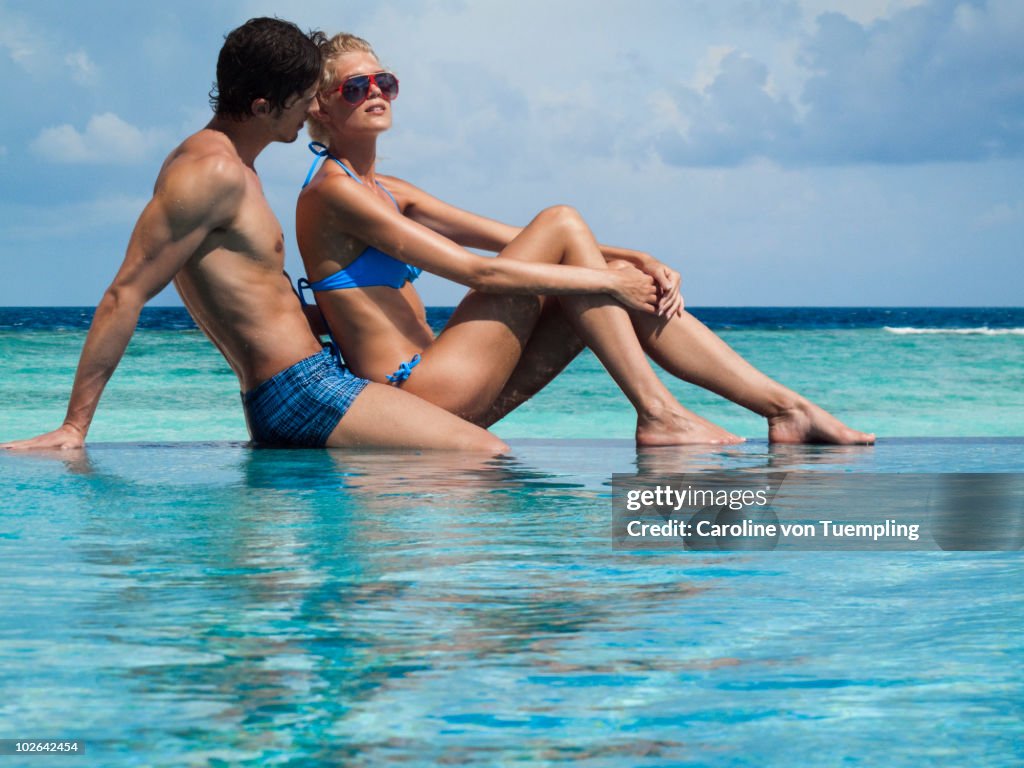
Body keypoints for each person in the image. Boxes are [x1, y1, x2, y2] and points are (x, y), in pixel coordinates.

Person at [293, 33, 874, 445]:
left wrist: (632, 259)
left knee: (590, 267)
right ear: (320, 105)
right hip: (418, 392)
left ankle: (785, 409)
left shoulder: (389, 189)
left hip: (454, 384)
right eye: (356, 86)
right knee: (570, 230)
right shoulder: (331, 194)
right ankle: (661, 414)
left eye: (385, 81)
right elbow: (480, 274)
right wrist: (605, 277)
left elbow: (514, 240)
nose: (376, 92)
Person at [1, 18, 509, 454]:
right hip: (300, 390)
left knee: (457, 433)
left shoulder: (236, 168)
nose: (312, 110)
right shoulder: (210, 173)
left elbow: (252, 301)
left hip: (309, 381)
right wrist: (75, 426)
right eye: (304, 100)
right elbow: (126, 293)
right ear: (265, 106)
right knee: (481, 452)